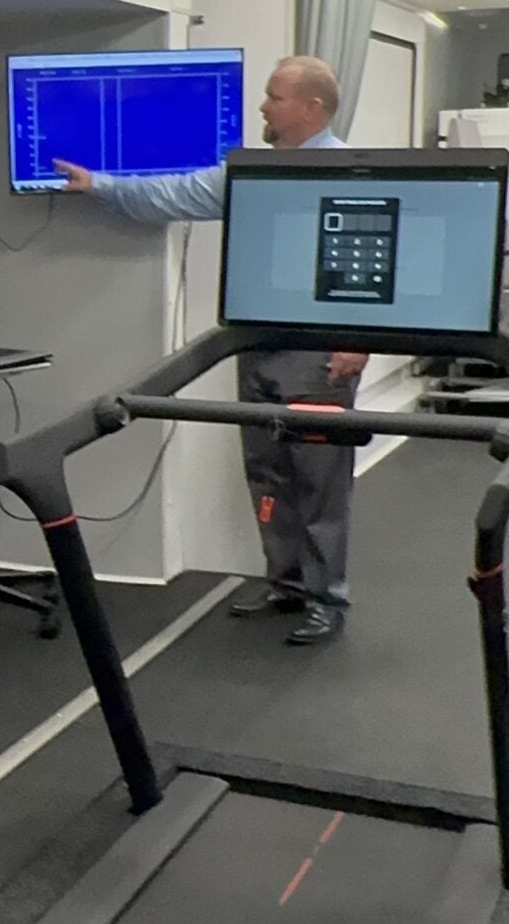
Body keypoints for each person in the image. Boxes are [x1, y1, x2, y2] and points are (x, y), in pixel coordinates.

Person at [55, 56, 367, 645]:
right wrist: (101, 185)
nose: (262, 108)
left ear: (312, 108)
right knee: (267, 474)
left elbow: (370, 263)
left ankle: (328, 597)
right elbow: (176, 193)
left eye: (274, 97)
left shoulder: (349, 171)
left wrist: (359, 341)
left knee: (320, 482)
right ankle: (287, 583)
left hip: (321, 354)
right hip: (258, 347)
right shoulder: (251, 171)